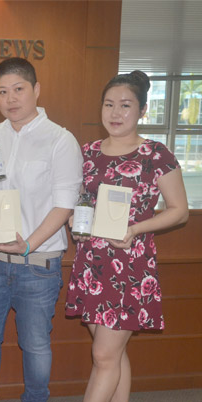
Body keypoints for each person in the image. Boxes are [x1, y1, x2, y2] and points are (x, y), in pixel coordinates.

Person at [65, 71, 188, 402]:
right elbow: (76, 200)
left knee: (104, 356)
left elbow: (179, 210)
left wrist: (135, 228)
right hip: (91, 263)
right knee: (112, 354)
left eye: (125, 105)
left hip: (130, 264)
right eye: (108, 105)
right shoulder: (86, 152)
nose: (115, 113)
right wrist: (75, 222)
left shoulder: (155, 155)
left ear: (142, 111)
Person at [0, 57, 83, 402]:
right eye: (2, 92)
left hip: (38, 264)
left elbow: (64, 206)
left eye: (18, 89)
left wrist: (28, 245)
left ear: (36, 90)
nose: (10, 99)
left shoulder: (60, 140)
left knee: (35, 345)